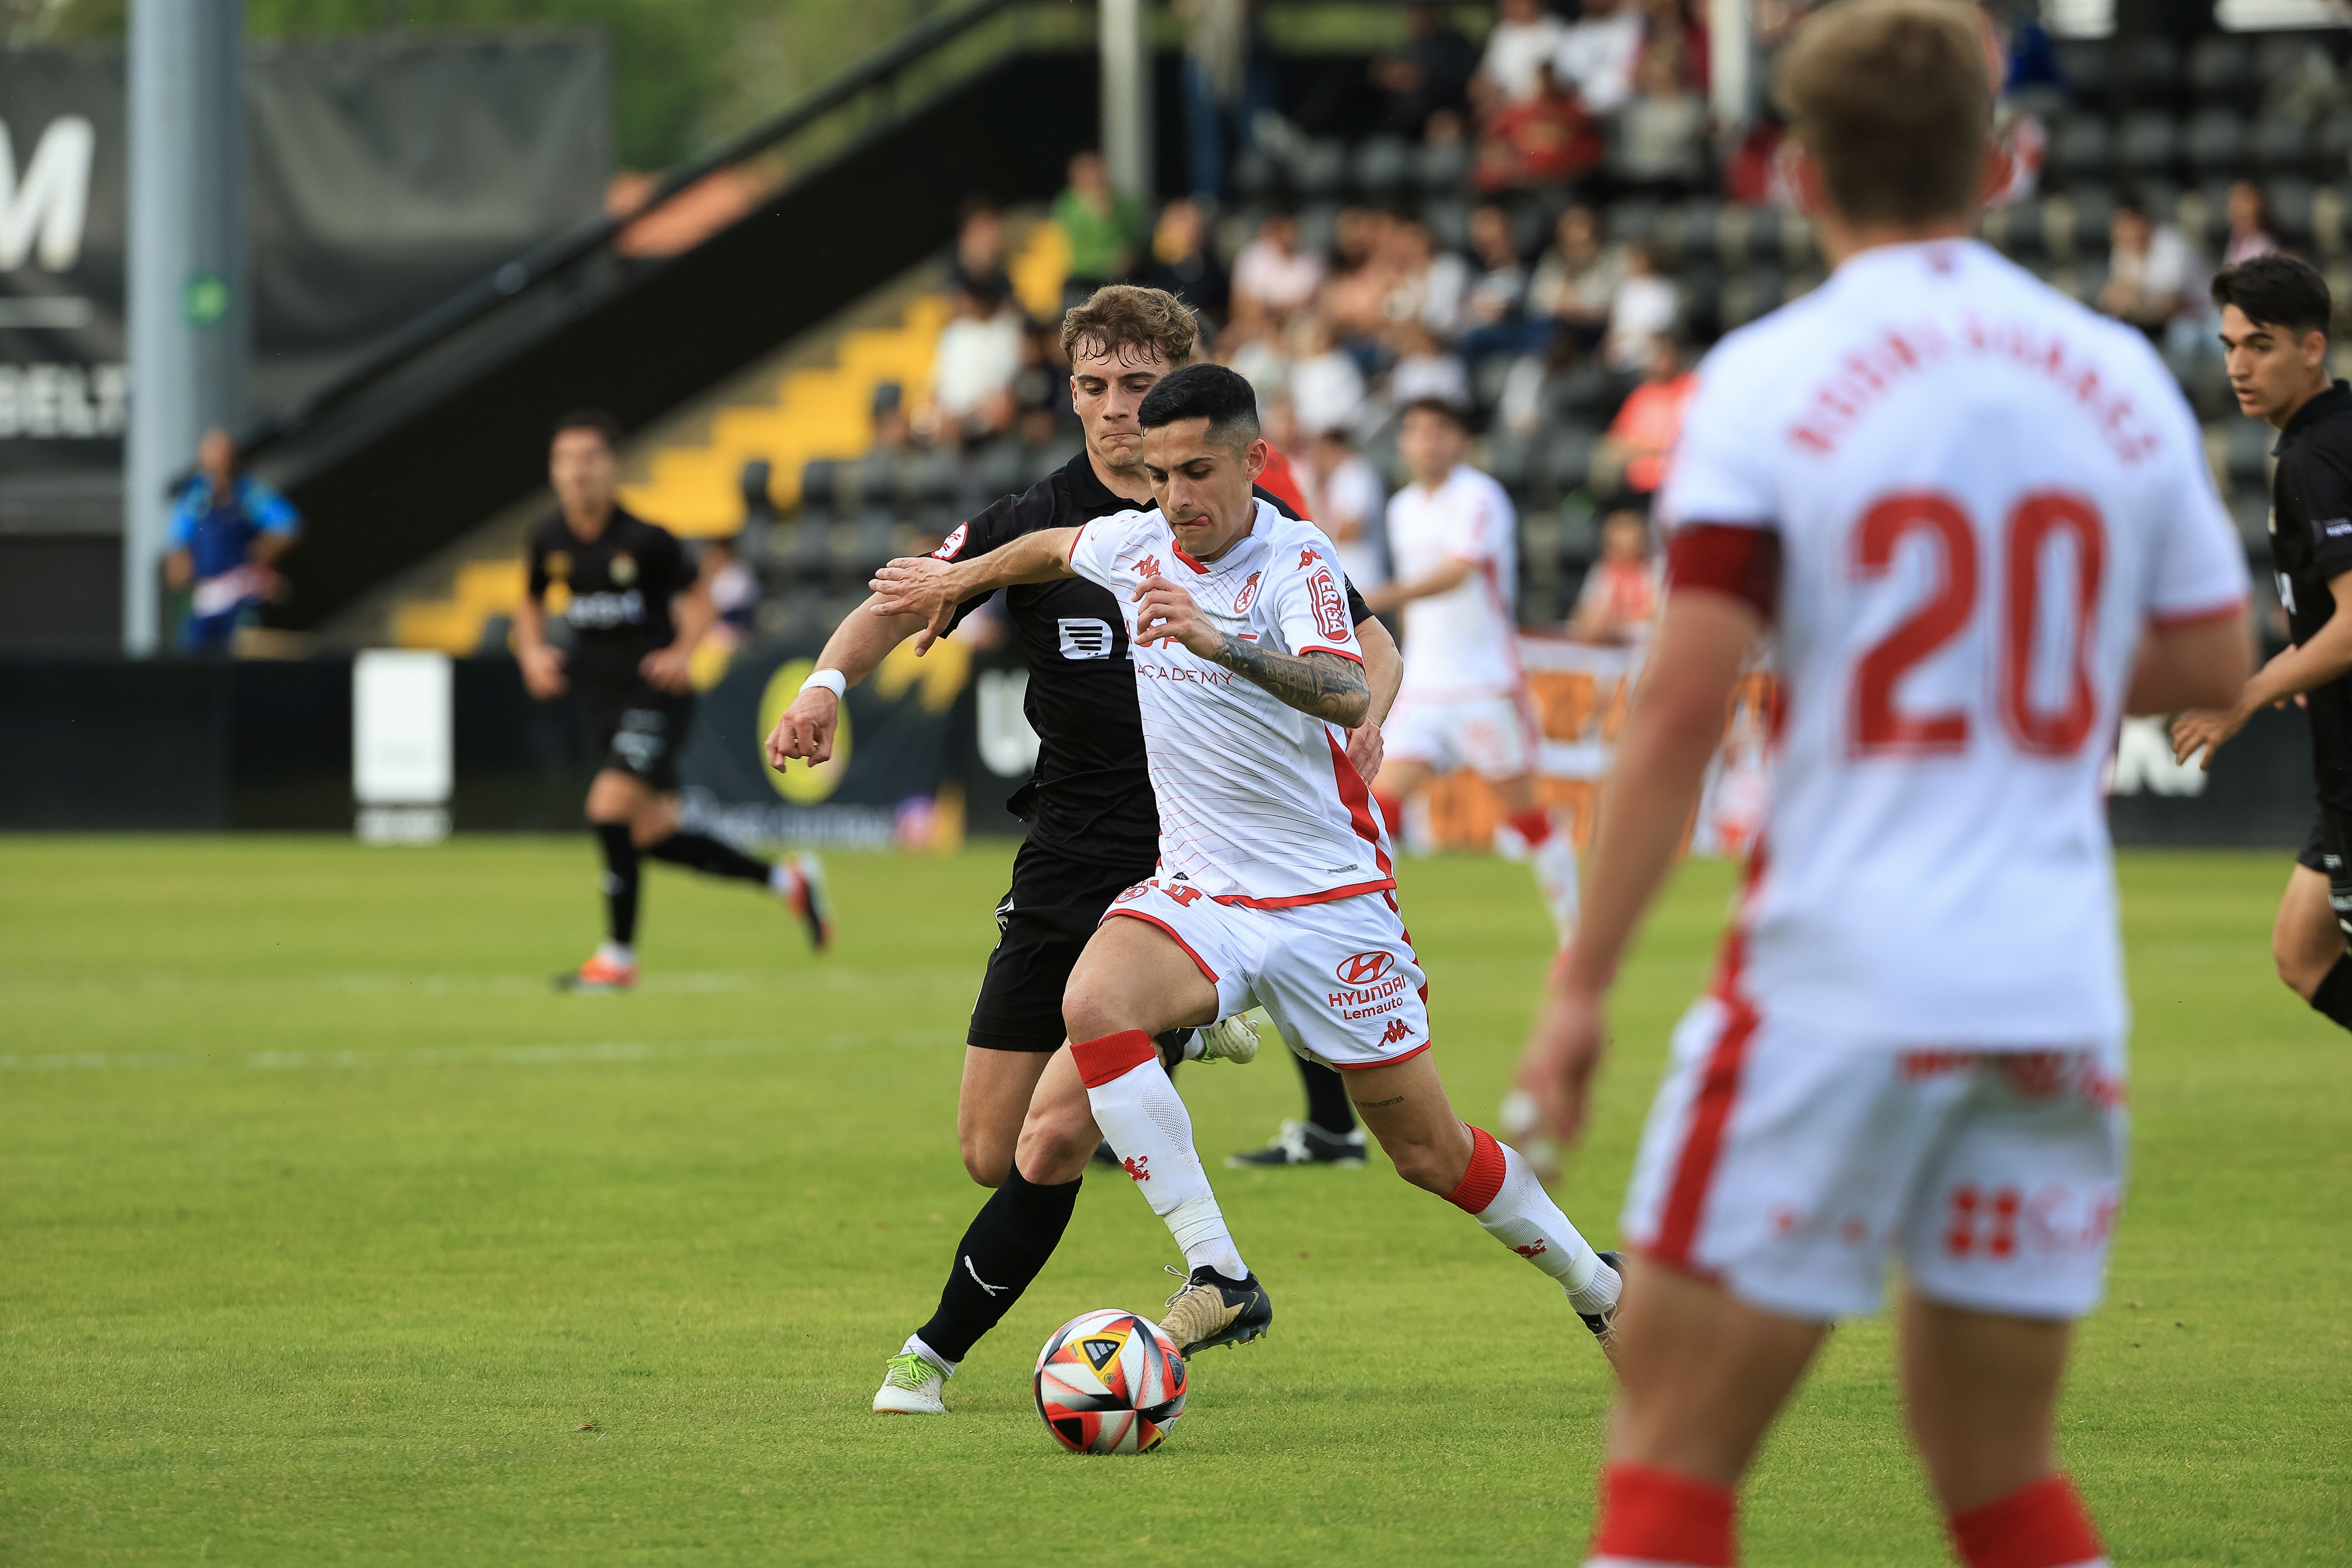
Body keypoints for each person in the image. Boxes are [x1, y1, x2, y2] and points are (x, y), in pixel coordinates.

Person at [1511, 5, 2253, 1564]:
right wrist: (2019, 680)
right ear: (2001, 157)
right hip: (2049, 990)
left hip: (1837, 978)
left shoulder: (1775, 376)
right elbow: (2205, 657)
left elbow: (1681, 703)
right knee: (1999, 1473)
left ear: (1795, 171)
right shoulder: (2111, 373)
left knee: (1669, 1450)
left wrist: (1580, 992)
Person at [872, 362, 1623, 1378]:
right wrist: (958, 580)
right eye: (1158, 473)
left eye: (1198, 471)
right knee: (1094, 1002)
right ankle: (1218, 1273)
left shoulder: (1294, 557)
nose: (1177, 497)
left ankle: (1599, 1289)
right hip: (1203, 890)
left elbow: (1347, 690)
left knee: (1428, 1155)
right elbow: (1053, 545)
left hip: (1331, 904)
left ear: (1254, 462)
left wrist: (1219, 642)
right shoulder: (1138, 537)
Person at [760, 288, 1406, 1414]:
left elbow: (1372, 637)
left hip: (1192, 872)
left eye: (1140, 388)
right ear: (1071, 394)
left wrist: (1370, 715)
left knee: (1057, 1133)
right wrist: (823, 687)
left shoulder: (1246, 520)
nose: (1117, 412)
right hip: (1061, 855)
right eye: (1096, 389)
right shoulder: (1045, 519)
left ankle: (929, 1362)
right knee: (988, 1146)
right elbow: (911, 594)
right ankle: (1188, 1039)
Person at [516, 410, 831, 992]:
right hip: (603, 703)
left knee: (607, 808)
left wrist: (684, 650)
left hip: (655, 698)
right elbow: (530, 601)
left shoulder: (645, 539)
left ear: (611, 468)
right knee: (651, 836)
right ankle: (789, 881)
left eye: (590, 459)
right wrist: (532, 652)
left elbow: (702, 598)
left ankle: (617, 959)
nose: (578, 472)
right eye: (567, 461)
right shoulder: (549, 539)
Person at [2172, 254, 2352, 1036]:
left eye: (2261, 346)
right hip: (2338, 754)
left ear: (2313, 348)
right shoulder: (2336, 434)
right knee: (2303, 949)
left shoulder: (2314, 461)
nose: (2239, 367)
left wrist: (2247, 691)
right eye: (2229, 345)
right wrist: (2306, 657)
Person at [1365, 399, 1581, 945]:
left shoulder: (1481, 497)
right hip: (1425, 688)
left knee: (1526, 816)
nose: (1426, 442)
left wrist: (1382, 596)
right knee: (1375, 810)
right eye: (1415, 431)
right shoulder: (1403, 507)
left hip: (1484, 685)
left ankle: (1577, 935)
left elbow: (1461, 572)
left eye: (1438, 431)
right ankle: (1368, 937)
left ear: (1459, 441)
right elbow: (1421, 603)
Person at [163, 428, 300, 656]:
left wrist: (265, 550)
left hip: (243, 597)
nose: (218, 472)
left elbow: (288, 525)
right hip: (206, 599)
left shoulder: (250, 493)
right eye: (212, 465)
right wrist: (180, 564)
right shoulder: (194, 498)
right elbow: (177, 543)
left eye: (224, 463)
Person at [1596, 334, 1700, 499]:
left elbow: (1690, 443)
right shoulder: (1641, 395)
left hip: (1678, 487)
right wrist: (1655, 449)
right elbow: (1615, 445)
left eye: (1663, 354)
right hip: (1636, 490)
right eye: (1653, 356)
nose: (1657, 361)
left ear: (1677, 355)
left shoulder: (1694, 390)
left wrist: (1643, 448)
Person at [1370, 0, 1479, 135]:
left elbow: (1464, 84)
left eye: (1422, 11)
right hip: (1403, 128)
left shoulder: (1456, 46)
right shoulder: (1405, 50)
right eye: (1413, 12)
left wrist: (1423, 77)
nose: (1416, 17)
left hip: (1445, 120)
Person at [1051, 151, 1147, 297]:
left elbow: (1135, 240)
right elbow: (1072, 254)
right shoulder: (1066, 205)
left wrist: (1110, 213)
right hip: (1082, 279)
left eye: (1095, 171)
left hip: (1122, 278)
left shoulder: (1126, 203)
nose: (1092, 178)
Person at [1567, 508, 1659, 642]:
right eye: (1615, 549)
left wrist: (1618, 623)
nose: (1621, 559)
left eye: (1628, 551)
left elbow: (1658, 615)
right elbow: (1582, 616)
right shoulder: (1602, 572)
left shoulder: (1654, 572)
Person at [1141, 197, 1231, 323]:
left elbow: (1222, 308)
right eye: (1179, 221)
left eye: (1192, 221)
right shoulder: (1149, 269)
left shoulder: (1213, 269)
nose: (1188, 228)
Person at [1230, 210, 1325, 328]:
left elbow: (1318, 307)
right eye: (1282, 228)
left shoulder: (1312, 261)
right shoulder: (1252, 258)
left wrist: (1273, 308)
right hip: (1260, 331)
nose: (1289, 234)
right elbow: (1244, 309)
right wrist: (1287, 309)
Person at [1477, 0, 1570, 105]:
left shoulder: (1556, 31)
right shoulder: (1503, 33)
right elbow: (1487, 75)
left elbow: (1561, 79)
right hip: (1506, 106)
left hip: (1545, 105)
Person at [2223, 179, 2280, 267]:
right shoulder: (2234, 242)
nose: (2236, 208)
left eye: (2243, 200)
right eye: (2233, 200)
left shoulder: (2263, 248)